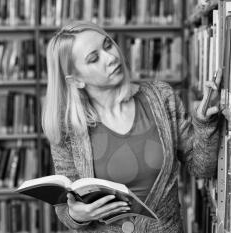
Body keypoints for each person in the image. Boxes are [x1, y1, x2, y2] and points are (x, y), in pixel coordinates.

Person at [42, 20, 221, 233]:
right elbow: (65, 208)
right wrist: (76, 215)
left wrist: (204, 122)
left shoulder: (161, 97)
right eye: (94, 58)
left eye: (108, 45)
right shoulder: (68, 129)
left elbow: (203, 167)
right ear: (76, 81)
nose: (111, 58)